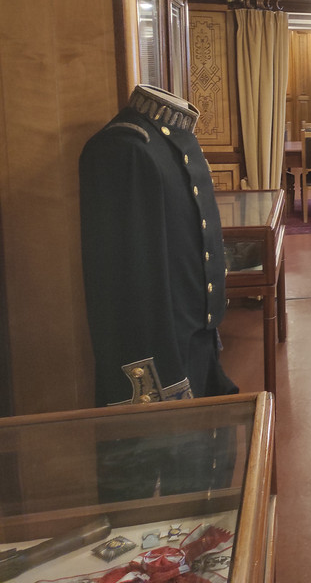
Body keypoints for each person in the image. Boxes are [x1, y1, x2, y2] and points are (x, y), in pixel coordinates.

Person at [79, 84, 236, 406]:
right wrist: (155, 373)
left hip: (193, 330)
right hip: (161, 347)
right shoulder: (125, 148)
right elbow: (129, 275)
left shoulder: (170, 138)